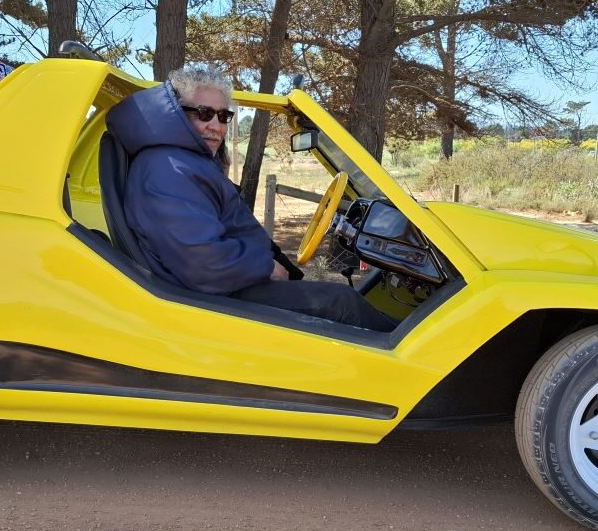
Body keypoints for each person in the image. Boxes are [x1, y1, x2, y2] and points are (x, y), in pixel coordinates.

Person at [105, 64, 396, 332]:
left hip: (225, 286)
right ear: (178, 113)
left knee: (336, 300)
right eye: (204, 113)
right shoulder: (168, 169)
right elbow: (203, 262)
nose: (216, 126)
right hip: (212, 299)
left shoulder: (183, 162)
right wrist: (267, 266)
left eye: (224, 116)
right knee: (341, 303)